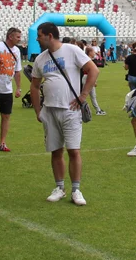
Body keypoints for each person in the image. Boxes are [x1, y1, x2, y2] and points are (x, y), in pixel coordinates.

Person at [29, 22, 98, 205]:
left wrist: (83, 96)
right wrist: (38, 111)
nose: (37, 38)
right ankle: (59, 187)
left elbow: (93, 70)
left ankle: (76, 190)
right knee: (55, 150)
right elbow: (34, 86)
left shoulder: (71, 50)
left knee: (74, 150)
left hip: (71, 110)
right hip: (50, 111)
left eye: (39, 35)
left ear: (50, 36)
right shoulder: (40, 59)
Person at [0, 28, 24, 152]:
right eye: (18, 37)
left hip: (7, 90)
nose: (20, 39)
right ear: (10, 37)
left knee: (6, 116)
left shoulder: (17, 50)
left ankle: (2, 142)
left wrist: (18, 87)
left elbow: (17, 71)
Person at [82, 44, 105, 115]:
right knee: (90, 95)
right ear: (90, 52)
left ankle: (96, 109)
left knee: (89, 94)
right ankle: (97, 110)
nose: (94, 53)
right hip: (88, 77)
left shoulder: (86, 59)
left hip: (86, 77)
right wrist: (93, 81)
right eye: (93, 52)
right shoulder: (89, 61)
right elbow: (90, 71)